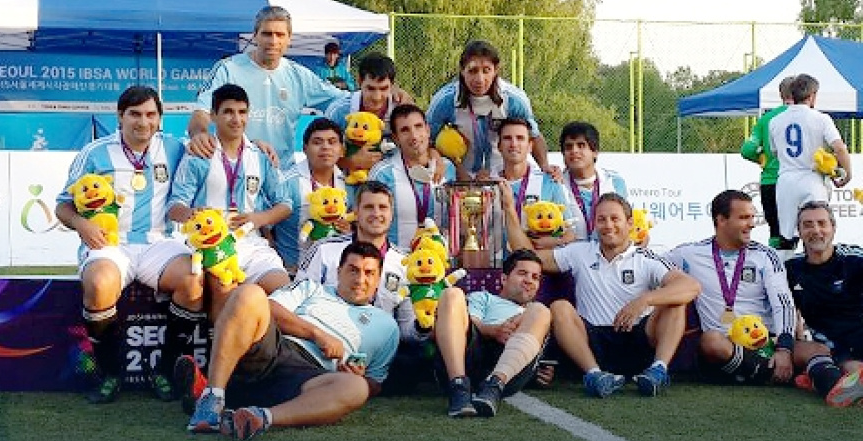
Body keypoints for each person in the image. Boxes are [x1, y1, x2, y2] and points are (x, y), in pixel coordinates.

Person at [55, 85, 202, 404]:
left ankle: (165, 370)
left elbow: (217, 152)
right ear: (120, 116)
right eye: (135, 114)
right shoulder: (94, 152)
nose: (143, 122)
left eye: (150, 115)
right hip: (110, 243)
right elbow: (63, 205)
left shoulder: (176, 149)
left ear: (160, 118)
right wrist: (82, 224)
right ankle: (110, 371)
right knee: (99, 283)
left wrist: (257, 146)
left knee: (194, 281)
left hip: (158, 242)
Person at [182, 241, 400, 441]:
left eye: (369, 273)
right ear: (339, 271)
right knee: (249, 294)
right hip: (275, 349)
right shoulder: (312, 288)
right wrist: (316, 333)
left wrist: (356, 375)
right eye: (353, 270)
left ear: (378, 279)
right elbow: (270, 308)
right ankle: (212, 399)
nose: (360, 279)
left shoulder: (388, 326)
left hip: (314, 377)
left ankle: (260, 417)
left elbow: (374, 383)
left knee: (356, 387)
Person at [667, 190, 862, 406]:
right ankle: (782, 374)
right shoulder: (689, 253)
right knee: (710, 341)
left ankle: (837, 390)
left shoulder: (766, 255)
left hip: (767, 344)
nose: (752, 224)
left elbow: (783, 304)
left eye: (752, 217)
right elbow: (652, 268)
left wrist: (784, 349)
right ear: (721, 220)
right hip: (727, 345)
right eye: (744, 218)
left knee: (818, 350)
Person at [534, 193, 701, 397]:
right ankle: (594, 375)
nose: (608, 225)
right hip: (593, 342)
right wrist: (532, 231)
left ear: (630, 223)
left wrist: (644, 300)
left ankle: (658, 371)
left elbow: (691, 286)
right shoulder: (579, 251)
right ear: (594, 224)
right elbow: (530, 260)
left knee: (676, 302)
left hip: (638, 339)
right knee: (560, 307)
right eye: (601, 219)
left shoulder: (645, 257)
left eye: (615, 219)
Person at [167, 83, 292, 320]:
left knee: (282, 289)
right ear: (213, 116)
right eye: (228, 112)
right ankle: (218, 342)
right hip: (211, 244)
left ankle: (262, 344)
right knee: (224, 287)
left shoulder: (260, 156)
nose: (236, 119)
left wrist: (259, 218)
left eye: (242, 112)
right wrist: (193, 214)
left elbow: (285, 204)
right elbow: (174, 206)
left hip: (251, 243)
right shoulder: (199, 154)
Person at [296, 180, 427, 387]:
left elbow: (406, 331)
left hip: (376, 350)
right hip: (326, 345)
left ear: (392, 214)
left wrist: (423, 324)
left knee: (413, 363)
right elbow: (298, 303)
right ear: (355, 212)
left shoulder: (405, 264)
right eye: (368, 207)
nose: (376, 213)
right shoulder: (324, 250)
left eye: (382, 207)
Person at [186, 6, 346, 169]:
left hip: (281, 172)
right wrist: (199, 134)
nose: (273, 41)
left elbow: (343, 102)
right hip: (236, 171)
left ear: (289, 38)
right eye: (267, 34)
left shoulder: (300, 75)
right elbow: (201, 112)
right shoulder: (228, 69)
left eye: (280, 35)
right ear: (255, 36)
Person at [433, 249, 552, 417]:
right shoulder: (484, 298)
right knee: (451, 294)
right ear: (504, 279)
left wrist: (540, 372)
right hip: (472, 356)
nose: (529, 281)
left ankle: (494, 386)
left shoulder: (534, 313)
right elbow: (466, 323)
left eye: (535, 277)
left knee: (540, 310)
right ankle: (458, 386)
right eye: (522, 273)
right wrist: (494, 331)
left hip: (509, 371)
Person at [426, 39, 554, 179]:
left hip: (503, 177)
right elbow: (427, 139)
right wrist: (438, 157)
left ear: (496, 70)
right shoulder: (445, 100)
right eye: (473, 71)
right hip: (460, 177)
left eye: (486, 71)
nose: (480, 79)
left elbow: (534, 136)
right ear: (462, 70)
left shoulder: (514, 100)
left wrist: (545, 166)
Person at [768, 73, 853, 254]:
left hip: (787, 181)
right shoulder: (821, 118)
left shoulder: (774, 121)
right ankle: (818, 268)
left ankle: (787, 271)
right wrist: (847, 173)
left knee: (787, 238)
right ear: (812, 95)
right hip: (812, 179)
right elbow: (839, 147)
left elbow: (775, 153)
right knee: (818, 232)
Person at [786, 200, 863, 380]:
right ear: (799, 231)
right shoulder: (791, 269)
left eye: (822, 223)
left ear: (833, 228)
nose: (815, 230)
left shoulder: (855, 260)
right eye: (808, 225)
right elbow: (788, 313)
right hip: (834, 349)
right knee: (855, 372)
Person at [370, 104, 456, 248]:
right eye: (405, 130)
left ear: (428, 130)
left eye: (418, 127)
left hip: (439, 257)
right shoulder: (382, 174)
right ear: (395, 138)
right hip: (398, 258)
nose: (414, 136)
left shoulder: (447, 168)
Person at [273, 117, 351, 269]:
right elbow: (267, 228)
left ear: (342, 150)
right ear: (304, 148)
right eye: (317, 142)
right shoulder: (287, 182)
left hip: (335, 270)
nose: (325, 147)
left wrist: (348, 229)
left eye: (332, 142)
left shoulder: (349, 184)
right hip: (293, 270)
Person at [496, 117, 574, 253]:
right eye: (507, 138)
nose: (514, 144)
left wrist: (555, 240)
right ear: (499, 146)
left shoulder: (549, 181)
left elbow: (569, 231)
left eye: (520, 138)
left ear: (530, 146)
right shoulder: (489, 184)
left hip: (537, 260)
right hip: (498, 260)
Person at [325, 53, 408, 177]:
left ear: (392, 85)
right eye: (371, 88)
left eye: (383, 88)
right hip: (349, 180)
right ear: (359, 81)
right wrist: (350, 162)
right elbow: (318, 155)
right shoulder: (339, 111)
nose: (377, 97)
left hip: (392, 180)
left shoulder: (401, 108)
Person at [740, 76, 795, 248]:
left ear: (781, 95)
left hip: (770, 181)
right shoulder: (809, 116)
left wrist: (762, 158)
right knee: (802, 230)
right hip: (796, 180)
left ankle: (776, 263)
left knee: (776, 233)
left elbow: (747, 149)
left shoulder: (766, 119)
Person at [556, 121, 630, 243]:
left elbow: (627, 223)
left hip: (607, 252)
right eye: (568, 147)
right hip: (569, 253)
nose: (574, 151)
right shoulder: (556, 184)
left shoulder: (614, 182)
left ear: (595, 152)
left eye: (581, 145)